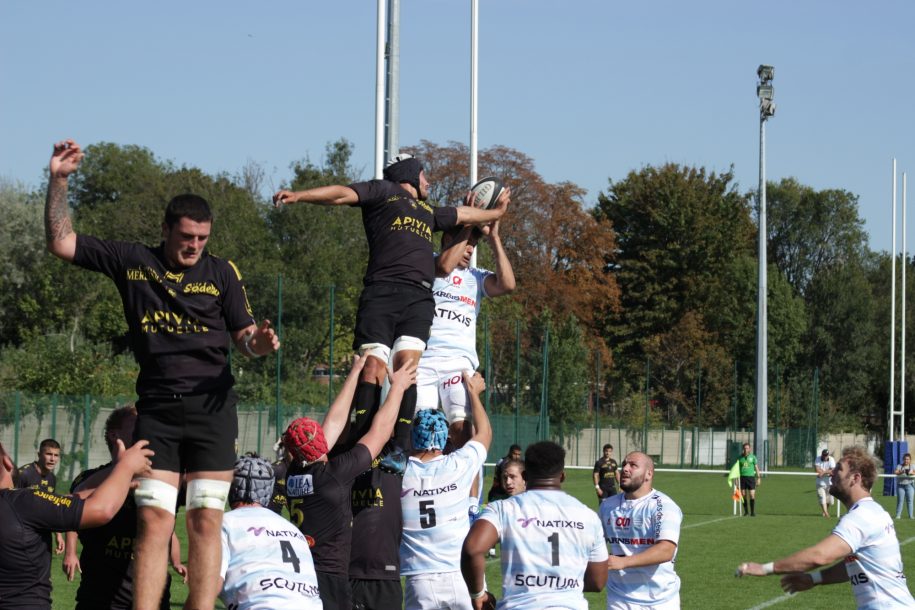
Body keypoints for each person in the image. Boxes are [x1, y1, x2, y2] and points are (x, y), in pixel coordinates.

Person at [43, 139, 281, 610]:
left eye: (202, 238)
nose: (194, 246)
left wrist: (261, 344)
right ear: (167, 230)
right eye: (186, 236)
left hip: (213, 414)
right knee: (153, 521)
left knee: (206, 521)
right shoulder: (134, 263)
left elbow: (245, 338)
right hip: (159, 414)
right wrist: (59, 180)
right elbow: (61, 242)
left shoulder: (221, 273)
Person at [273, 155, 507, 466]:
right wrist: (301, 195)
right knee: (372, 368)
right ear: (410, 176)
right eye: (424, 177)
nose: (429, 183)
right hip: (381, 293)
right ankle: (360, 439)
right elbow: (342, 193)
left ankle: (397, 447)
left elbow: (464, 213)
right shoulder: (383, 192)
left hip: (418, 298)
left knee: (406, 369)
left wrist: (496, 212)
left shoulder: (428, 212)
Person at [284, 355, 416, 610]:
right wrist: (398, 388)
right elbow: (378, 432)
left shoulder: (293, 473)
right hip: (330, 577)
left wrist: (355, 373)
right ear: (320, 444)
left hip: (303, 573)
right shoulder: (332, 476)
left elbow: (333, 423)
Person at [737, 446, 915, 609]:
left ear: (855, 478)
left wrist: (765, 568)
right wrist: (814, 579)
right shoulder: (875, 511)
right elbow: (855, 566)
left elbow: (820, 556)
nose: (832, 474)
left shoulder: (860, 517)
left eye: (839, 469)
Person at [0, 438, 153, 610]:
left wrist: (117, 484)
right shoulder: (21, 501)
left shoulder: (20, 503)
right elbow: (100, 510)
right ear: (7, 462)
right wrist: (126, 466)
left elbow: (67, 501)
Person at [63, 406, 186, 610]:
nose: (147, 429)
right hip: (100, 600)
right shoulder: (90, 478)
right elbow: (72, 506)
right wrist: (123, 467)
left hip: (155, 600)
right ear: (114, 434)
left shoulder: (166, 481)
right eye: (138, 424)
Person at [462, 441, 608, 610]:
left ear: (524, 476)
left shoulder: (503, 508)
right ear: (562, 476)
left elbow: (472, 549)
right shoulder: (589, 516)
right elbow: (597, 582)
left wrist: (478, 594)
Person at [416, 199, 515, 448]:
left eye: (473, 246)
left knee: (461, 430)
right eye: (466, 244)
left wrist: (494, 237)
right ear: (446, 240)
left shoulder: (475, 277)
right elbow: (443, 264)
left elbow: (508, 285)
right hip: (423, 362)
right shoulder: (427, 263)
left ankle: (463, 486)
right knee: (420, 431)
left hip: (458, 364)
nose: (470, 250)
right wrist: (468, 222)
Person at [399, 372, 492, 610]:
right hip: (459, 573)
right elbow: (484, 434)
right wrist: (473, 393)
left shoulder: (400, 474)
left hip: (419, 578)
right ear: (445, 438)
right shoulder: (457, 465)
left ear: (413, 437)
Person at [218, 455, 321, 609]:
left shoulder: (223, 523)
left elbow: (210, 584)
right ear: (268, 490)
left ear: (231, 489)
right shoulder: (293, 529)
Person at [600, 451, 683, 609]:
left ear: (648, 474)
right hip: (619, 598)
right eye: (624, 464)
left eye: (633, 465)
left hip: (661, 600)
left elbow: (666, 550)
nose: (625, 468)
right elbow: (592, 543)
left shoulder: (664, 506)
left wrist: (623, 562)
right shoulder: (607, 506)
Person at [16, 438, 64, 553]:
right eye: (48, 454)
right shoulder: (23, 474)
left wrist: (58, 534)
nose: (53, 459)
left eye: (56, 455)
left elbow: (51, 507)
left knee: (43, 570)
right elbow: (8, 503)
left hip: (43, 535)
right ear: (39, 454)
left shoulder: (52, 478)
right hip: (22, 533)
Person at [738, 442, 761, 516]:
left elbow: (756, 468)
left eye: (747, 448)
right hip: (742, 478)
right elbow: (737, 470)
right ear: (743, 449)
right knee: (743, 495)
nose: (746, 449)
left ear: (749, 449)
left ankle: (752, 512)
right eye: (744, 448)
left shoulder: (753, 457)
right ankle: (746, 512)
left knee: (752, 495)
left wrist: (759, 478)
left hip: (751, 478)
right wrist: (736, 479)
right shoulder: (740, 458)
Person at [815, 448, 836, 518]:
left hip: (829, 483)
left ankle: (825, 511)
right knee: (822, 498)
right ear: (822, 455)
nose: (825, 456)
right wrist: (827, 471)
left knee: (830, 500)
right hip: (820, 483)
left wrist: (823, 472)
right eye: (824, 455)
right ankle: (826, 513)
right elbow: (817, 469)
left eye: (826, 455)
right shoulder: (818, 459)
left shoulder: (831, 459)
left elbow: (833, 470)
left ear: (828, 455)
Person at [894, 452, 914, 519]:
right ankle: (898, 515)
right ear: (903, 459)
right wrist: (901, 472)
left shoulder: (912, 466)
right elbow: (895, 472)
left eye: (908, 459)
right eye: (905, 459)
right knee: (900, 501)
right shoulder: (899, 466)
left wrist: (911, 473)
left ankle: (911, 516)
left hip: (910, 485)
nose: (906, 460)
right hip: (901, 486)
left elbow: (914, 472)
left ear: (910, 460)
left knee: (910, 501)